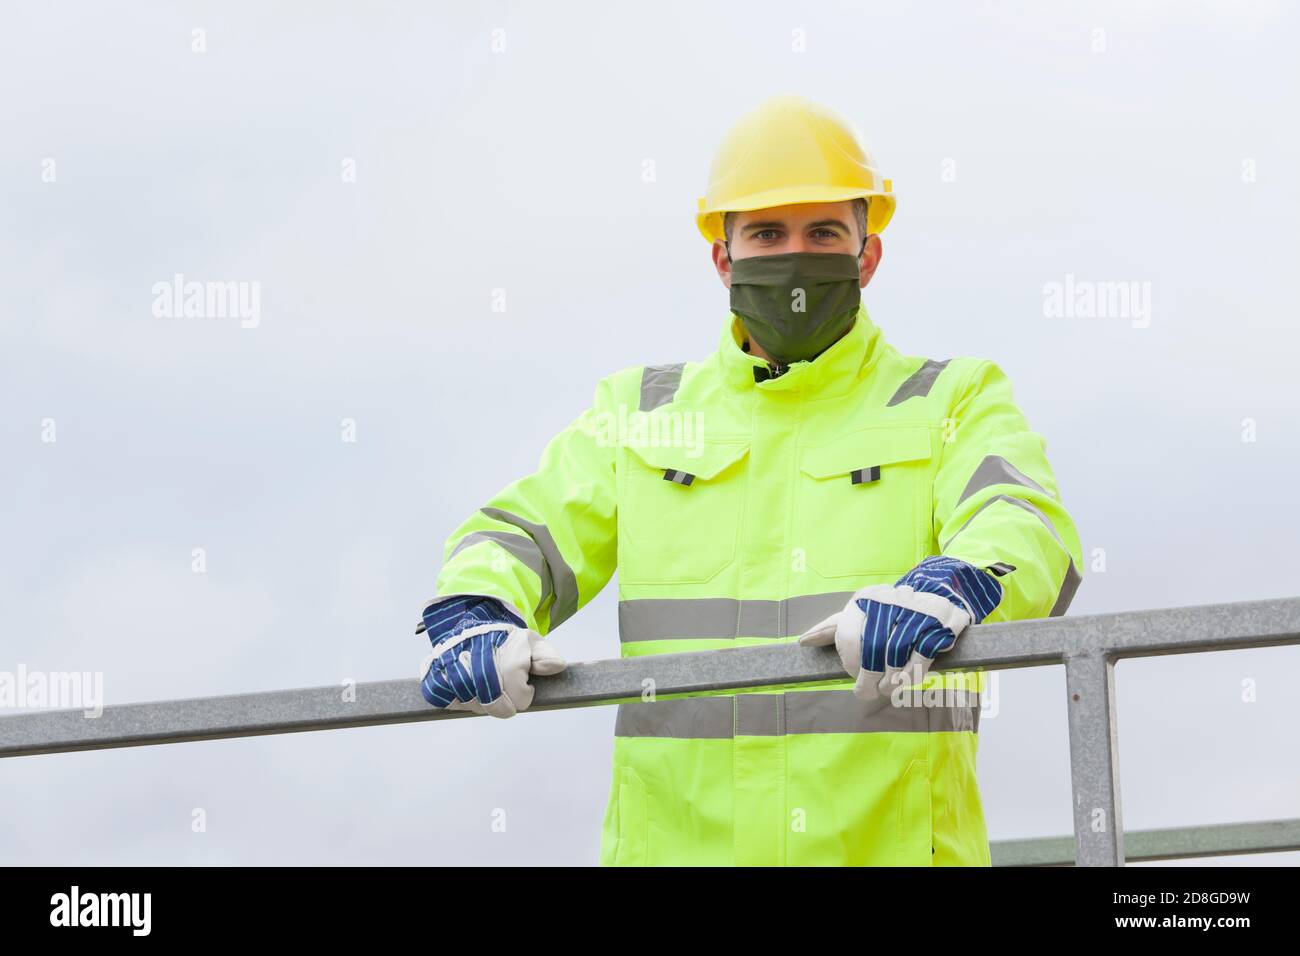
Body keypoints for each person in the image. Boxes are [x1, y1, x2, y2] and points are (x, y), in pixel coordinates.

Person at [416, 93, 1084, 866]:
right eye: (767, 232)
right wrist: (477, 606)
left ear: (867, 255)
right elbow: (525, 530)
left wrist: (954, 585)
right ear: (723, 257)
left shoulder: (949, 397)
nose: (794, 255)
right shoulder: (642, 412)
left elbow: (1026, 521)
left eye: (823, 232)